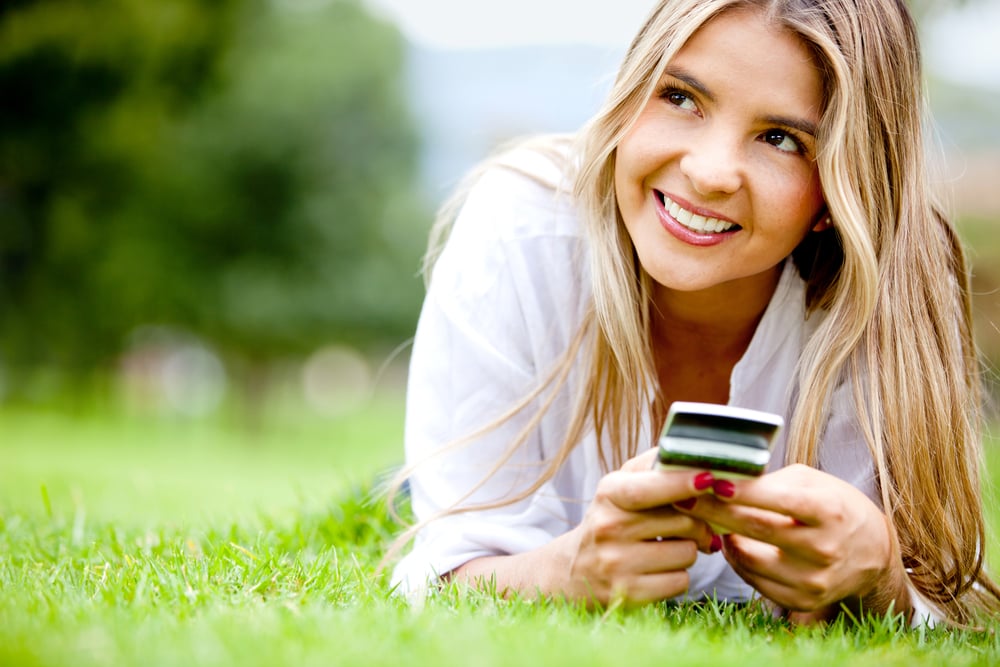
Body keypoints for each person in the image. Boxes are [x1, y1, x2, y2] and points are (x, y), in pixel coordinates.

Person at [387, 0, 1000, 626]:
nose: (709, 174)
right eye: (680, 97)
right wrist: (566, 572)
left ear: (839, 190)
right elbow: (445, 571)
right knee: (412, 489)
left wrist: (879, 574)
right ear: (630, 95)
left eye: (781, 139)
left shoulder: (892, 294)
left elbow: (945, 602)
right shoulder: (522, 229)